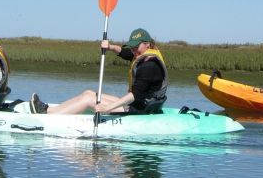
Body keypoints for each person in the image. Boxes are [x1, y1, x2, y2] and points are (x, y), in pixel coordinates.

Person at [30, 27, 167, 115]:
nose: (133, 50)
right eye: (132, 47)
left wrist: (107, 108)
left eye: (136, 47)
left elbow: (134, 95)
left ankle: (49, 117)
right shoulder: (143, 55)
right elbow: (125, 53)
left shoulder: (149, 66)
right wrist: (110, 47)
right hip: (138, 104)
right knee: (89, 93)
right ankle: (48, 110)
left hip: (140, 109)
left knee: (89, 99)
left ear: (147, 44)